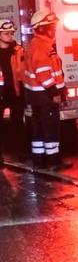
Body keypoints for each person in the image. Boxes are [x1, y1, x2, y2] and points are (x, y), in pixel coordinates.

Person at [23, 10, 71, 170]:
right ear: (42, 29)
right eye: (52, 27)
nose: (54, 30)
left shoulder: (37, 44)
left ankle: (40, 160)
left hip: (36, 96)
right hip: (44, 97)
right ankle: (53, 161)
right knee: (50, 128)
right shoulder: (41, 46)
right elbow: (43, 73)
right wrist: (54, 92)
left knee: (39, 128)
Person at [0, 19, 26, 167]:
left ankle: (21, 152)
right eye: (6, 33)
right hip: (0, 94)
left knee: (18, 124)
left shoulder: (18, 50)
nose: (10, 36)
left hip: (15, 92)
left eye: (11, 33)